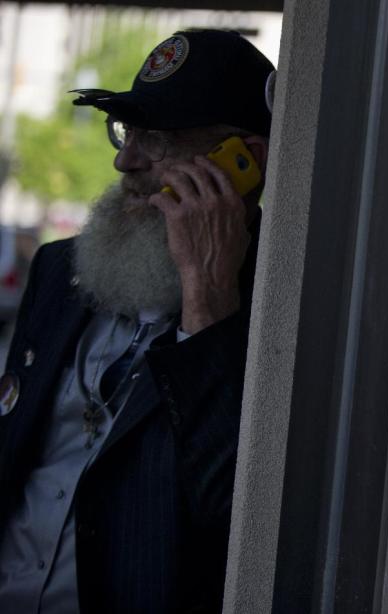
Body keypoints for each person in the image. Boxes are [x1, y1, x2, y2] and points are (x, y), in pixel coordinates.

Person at [0, 29, 274, 613]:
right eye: (127, 131)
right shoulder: (59, 268)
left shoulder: (278, 307)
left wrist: (208, 299)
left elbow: (234, 520)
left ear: (248, 160)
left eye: (159, 138)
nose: (126, 159)